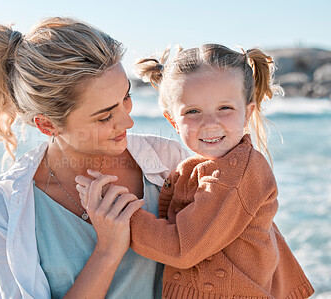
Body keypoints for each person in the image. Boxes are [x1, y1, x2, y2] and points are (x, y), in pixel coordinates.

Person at [0, 17, 190, 298]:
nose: (128, 121)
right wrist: (107, 252)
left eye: (126, 98)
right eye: (106, 116)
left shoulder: (172, 162)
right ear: (47, 125)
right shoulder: (3, 211)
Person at [76, 44, 315, 298]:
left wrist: (121, 216)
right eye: (193, 111)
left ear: (248, 113)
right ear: (173, 122)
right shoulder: (202, 168)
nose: (210, 122)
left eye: (225, 108)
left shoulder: (238, 173)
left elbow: (182, 248)